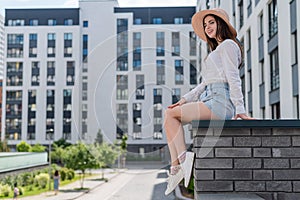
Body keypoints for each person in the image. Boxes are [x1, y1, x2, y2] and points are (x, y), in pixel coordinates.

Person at [164, 8, 254, 195]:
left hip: (221, 101)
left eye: (211, 22)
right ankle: (176, 167)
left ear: (221, 24)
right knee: (169, 114)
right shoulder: (219, 49)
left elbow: (233, 78)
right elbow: (205, 84)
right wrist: (183, 100)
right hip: (210, 97)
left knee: (171, 115)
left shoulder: (229, 45)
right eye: (205, 25)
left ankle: (181, 163)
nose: (208, 27)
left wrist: (240, 108)